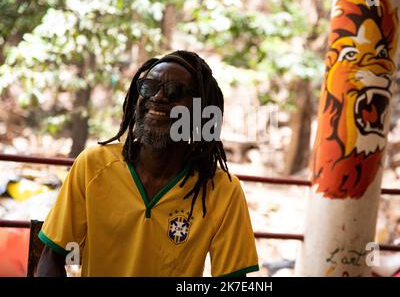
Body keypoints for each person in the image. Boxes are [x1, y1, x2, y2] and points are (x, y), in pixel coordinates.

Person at [36, 50, 259, 277]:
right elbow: (52, 258)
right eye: (148, 87)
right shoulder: (93, 166)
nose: (158, 97)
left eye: (174, 91)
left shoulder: (222, 191)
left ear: (199, 111)